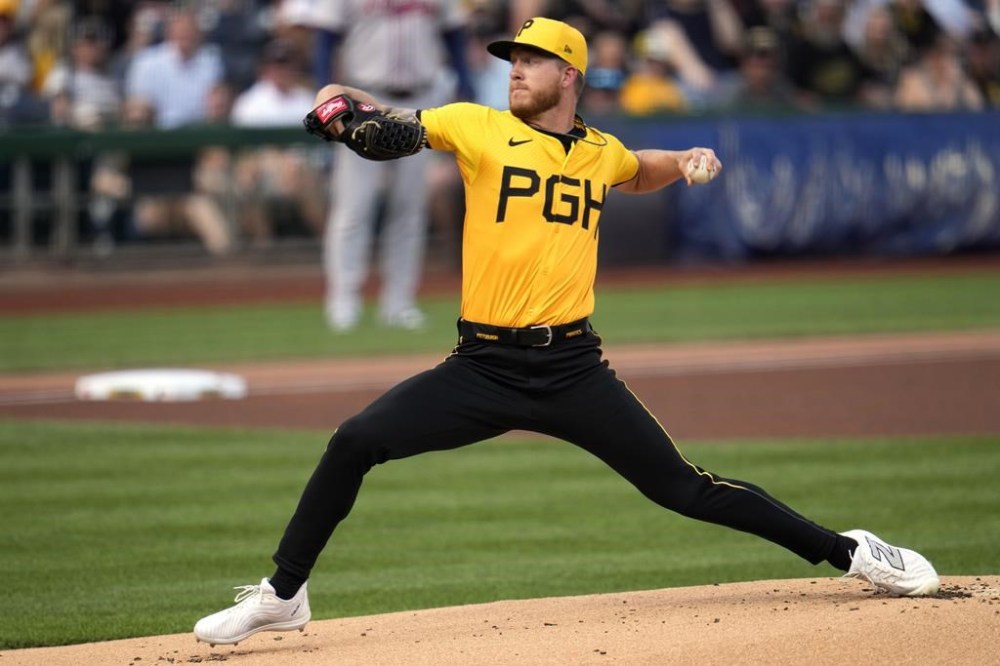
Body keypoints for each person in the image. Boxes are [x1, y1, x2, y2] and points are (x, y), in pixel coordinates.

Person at [193, 17, 941, 648]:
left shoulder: (596, 151)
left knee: (687, 489)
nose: (515, 72)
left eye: (530, 61)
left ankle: (851, 551)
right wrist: (341, 108)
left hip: (574, 369)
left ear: (570, 73)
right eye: (511, 60)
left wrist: (681, 160)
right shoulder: (477, 126)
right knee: (354, 441)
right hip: (479, 368)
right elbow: (391, 129)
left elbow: (634, 167)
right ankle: (284, 595)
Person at [299, 0, 476, 331]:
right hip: (362, 98)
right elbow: (325, 38)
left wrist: (465, 82)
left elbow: (454, 33)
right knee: (354, 206)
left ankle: (399, 302)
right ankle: (343, 301)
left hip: (421, 99)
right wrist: (325, 95)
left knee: (409, 208)